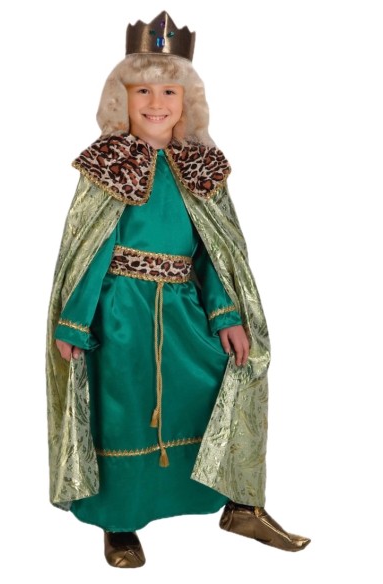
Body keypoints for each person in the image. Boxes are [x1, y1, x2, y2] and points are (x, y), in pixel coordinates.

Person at [45, 11, 310, 568]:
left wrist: (226, 315)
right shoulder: (108, 164)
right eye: (142, 90)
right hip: (121, 314)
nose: (156, 102)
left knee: (222, 383)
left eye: (169, 90)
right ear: (121, 98)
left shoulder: (201, 166)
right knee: (123, 410)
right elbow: (89, 251)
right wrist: (74, 320)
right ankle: (119, 523)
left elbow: (216, 254)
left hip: (187, 313)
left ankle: (239, 504)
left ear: (188, 101)